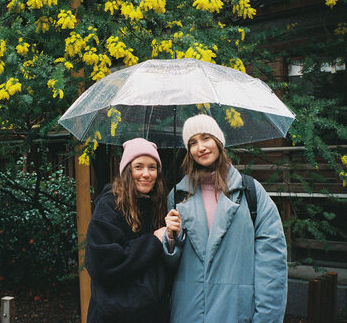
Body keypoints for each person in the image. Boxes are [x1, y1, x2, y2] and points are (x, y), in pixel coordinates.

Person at [167, 114, 287, 323]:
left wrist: (267, 318)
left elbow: (272, 263)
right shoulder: (177, 196)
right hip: (188, 311)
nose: (200, 147)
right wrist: (169, 240)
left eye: (206, 138)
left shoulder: (251, 192)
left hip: (236, 311)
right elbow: (168, 267)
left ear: (219, 141)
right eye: (192, 142)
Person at [84, 137, 182, 323]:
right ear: (127, 171)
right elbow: (103, 264)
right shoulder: (108, 206)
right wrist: (153, 240)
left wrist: (169, 237)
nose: (146, 173)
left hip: (152, 314)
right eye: (139, 167)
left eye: (152, 167)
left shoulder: (158, 206)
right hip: (114, 314)